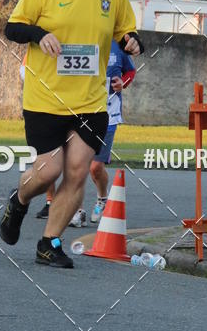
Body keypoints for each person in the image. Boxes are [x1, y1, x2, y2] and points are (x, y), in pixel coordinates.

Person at [0, 0, 144, 268]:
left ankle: (49, 243)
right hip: (45, 98)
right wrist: (38, 35)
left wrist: (133, 41)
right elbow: (12, 27)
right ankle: (19, 200)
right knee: (48, 172)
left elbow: (126, 31)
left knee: (78, 170)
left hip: (91, 101)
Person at [36, 39, 136, 227]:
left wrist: (123, 82)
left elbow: (130, 72)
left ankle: (102, 199)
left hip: (108, 115)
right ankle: (77, 210)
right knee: (77, 165)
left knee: (95, 168)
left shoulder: (118, 45)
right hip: (79, 114)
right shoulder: (78, 40)